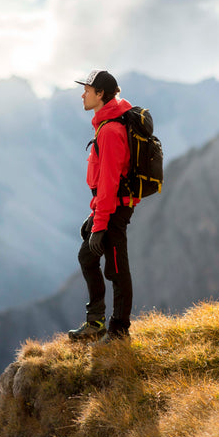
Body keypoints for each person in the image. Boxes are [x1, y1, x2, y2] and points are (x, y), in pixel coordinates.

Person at [68, 70, 138, 344]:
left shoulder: (110, 131)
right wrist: (94, 214)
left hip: (115, 210)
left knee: (117, 269)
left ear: (100, 94)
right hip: (107, 208)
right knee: (87, 258)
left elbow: (109, 183)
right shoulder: (105, 124)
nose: (82, 94)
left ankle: (119, 331)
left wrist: (99, 225)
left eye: (87, 89)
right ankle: (95, 323)